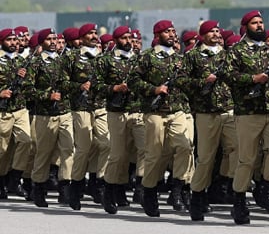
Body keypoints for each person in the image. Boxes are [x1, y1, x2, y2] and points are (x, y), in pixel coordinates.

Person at [226, 11, 269, 223]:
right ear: (246, 27)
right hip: (248, 112)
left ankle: (266, 188)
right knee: (247, 159)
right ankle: (239, 201)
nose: (260, 26)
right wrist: (252, 78)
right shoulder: (237, 51)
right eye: (255, 23)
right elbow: (228, 75)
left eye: (261, 22)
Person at [129, 20, 194, 217]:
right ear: (158, 35)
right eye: (167, 31)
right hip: (155, 112)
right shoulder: (147, 57)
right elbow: (133, 80)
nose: (172, 34)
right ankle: (149, 192)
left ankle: (178, 187)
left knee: (185, 146)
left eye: (173, 31)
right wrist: (153, 90)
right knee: (154, 155)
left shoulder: (180, 58)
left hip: (178, 110)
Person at [182, 20, 237, 221]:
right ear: (203, 35)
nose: (215, 34)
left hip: (229, 111)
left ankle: (231, 188)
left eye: (217, 31)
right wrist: (202, 83)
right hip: (206, 113)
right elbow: (181, 81)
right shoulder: (193, 56)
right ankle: (197, 196)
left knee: (239, 150)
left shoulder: (228, 56)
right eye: (211, 31)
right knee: (205, 158)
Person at [60, 23, 109, 210]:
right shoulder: (72, 58)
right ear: (82, 37)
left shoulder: (103, 58)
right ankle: (76, 186)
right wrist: (78, 87)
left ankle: (100, 182)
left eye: (96, 33)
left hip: (100, 106)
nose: (95, 36)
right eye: (90, 33)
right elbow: (61, 83)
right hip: (81, 108)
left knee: (106, 144)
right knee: (84, 148)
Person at [98, 26, 144, 214]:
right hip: (117, 112)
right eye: (124, 38)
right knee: (118, 155)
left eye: (130, 38)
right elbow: (96, 86)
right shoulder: (106, 60)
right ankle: (111, 190)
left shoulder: (139, 58)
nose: (129, 41)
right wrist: (114, 88)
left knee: (146, 149)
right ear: (116, 40)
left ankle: (142, 189)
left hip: (137, 111)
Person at [27, 29, 74, 207]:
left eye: (55, 38)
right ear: (42, 42)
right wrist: (48, 96)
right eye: (49, 39)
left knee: (68, 151)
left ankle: (65, 189)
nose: (53, 42)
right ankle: (38, 188)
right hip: (45, 115)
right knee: (44, 153)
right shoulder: (36, 64)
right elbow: (27, 89)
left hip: (65, 112)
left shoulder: (64, 60)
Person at [0, 29, 32, 200]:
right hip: (2, 111)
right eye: (9, 39)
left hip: (20, 109)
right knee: (3, 150)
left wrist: (24, 78)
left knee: (26, 141)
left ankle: (15, 178)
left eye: (15, 39)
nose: (13, 42)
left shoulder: (22, 61)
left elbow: (29, 86)